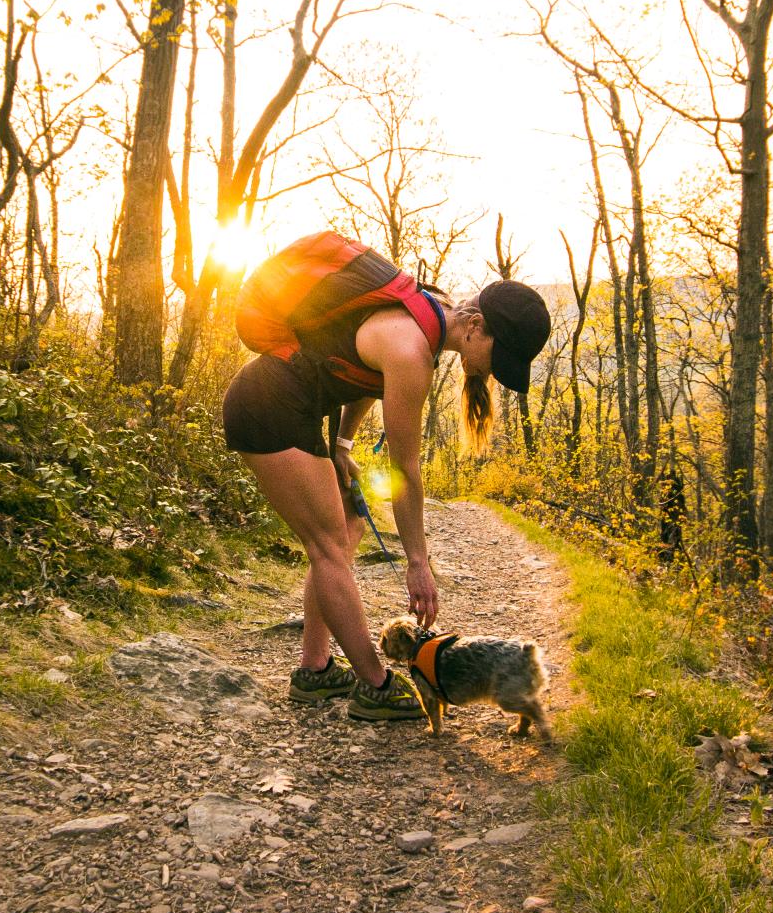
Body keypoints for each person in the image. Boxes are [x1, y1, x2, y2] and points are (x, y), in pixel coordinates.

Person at [221, 232, 552, 719]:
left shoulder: (428, 312)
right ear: (476, 326)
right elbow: (406, 472)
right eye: (498, 357)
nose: (493, 371)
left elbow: (361, 376)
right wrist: (418, 562)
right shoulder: (412, 351)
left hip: (295, 407)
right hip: (268, 407)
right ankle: (375, 685)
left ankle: (315, 671)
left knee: (350, 527)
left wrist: (343, 444)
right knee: (329, 545)